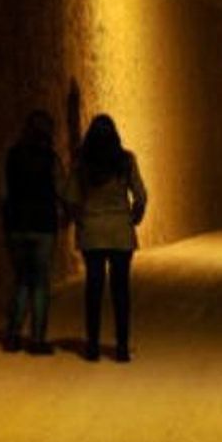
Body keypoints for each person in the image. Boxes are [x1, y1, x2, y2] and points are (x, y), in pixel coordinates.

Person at [64, 114, 147, 363]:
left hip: (92, 232)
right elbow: (140, 195)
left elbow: (70, 198)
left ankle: (92, 347)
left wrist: (80, 220)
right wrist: (133, 218)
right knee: (121, 291)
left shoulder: (82, 164)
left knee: (94, 289)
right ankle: (121, 348)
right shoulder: (126, 161)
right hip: (120, 232)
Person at [0, 110, 64, 355]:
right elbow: (61, 188)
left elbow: (3, 193)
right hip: (43, 226)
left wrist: (7, 219)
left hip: (17, 226)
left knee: (22, 280)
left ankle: (13, 335)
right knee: (40, 282)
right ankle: (37, 339)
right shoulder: (51, 159)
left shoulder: (12, 156)